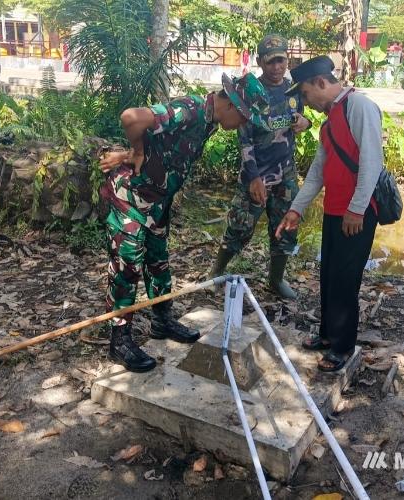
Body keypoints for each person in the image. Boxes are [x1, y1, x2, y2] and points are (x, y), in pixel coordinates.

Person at [98, 73, 270, 373]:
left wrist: (136, 153)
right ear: (230, 104)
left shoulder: (209, 121)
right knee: (127, 267)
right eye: (243, 117)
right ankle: (120, 340)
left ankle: (162, 321)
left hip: (157, 201)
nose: (243, 125)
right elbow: (131, 118)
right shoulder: (189, 110)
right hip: (131, 197)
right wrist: (135, 152)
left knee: (158, 262)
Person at [275, 55, 384, 372]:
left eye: (306, 94)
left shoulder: (359, 108)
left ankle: (343, 346)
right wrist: (297, 209)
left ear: (321, 82)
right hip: (336, 210)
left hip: (357, 213)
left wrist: (357, 208)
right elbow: (317, 172)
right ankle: (327, 334)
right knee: (329, 274)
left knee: (346, 278)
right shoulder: (329, 121)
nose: (305, 102)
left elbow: (371, 162)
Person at [210, 34, 311, 299]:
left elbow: (301, 120)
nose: (277, 67)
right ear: (260, 62)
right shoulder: (250, 92)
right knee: (239, 227)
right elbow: (244, 139)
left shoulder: (293, 90)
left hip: (286, 174)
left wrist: (306, 123)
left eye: (281, 60)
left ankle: (275, 280)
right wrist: (253, 177)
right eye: (271, 62)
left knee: (285, 230)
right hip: (255, 175)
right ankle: (216, 271)